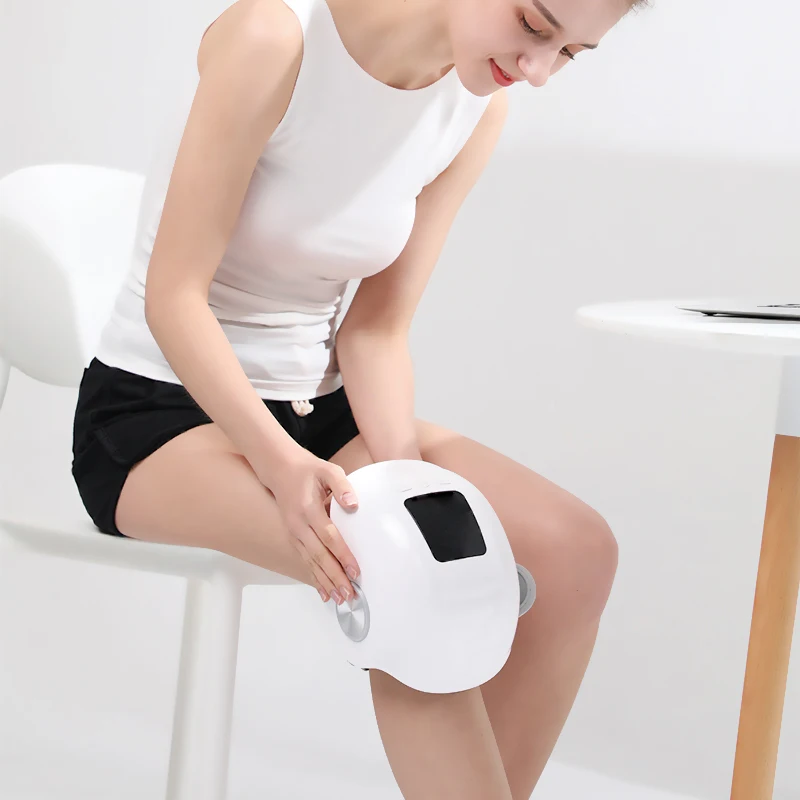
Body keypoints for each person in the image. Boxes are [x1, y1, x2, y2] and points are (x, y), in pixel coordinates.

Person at [71, 0, 643, 796]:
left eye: (571, 53)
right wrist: (282, 467)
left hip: (322, 412)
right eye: (534, 24)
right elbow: (175, 298)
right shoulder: (276, 38)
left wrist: (407, 482)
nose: (539, 69)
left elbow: (375, 332)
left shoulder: (476, 108)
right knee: (411, 574)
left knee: (576, 550)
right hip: (160, 414)